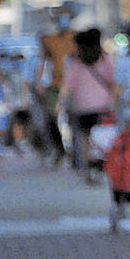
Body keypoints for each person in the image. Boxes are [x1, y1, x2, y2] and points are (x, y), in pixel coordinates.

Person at [63, 27, 115, 183]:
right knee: (102, 139)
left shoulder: (75, 63)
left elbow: (68, 86)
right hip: (103, 106)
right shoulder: (106, 59)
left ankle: (88, 170)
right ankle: (99, 167)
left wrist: (62, 103)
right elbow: (114, 81)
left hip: (82, 106)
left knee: (84, 140)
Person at [36, 16, 76, 166]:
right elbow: (43, 61)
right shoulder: (49, 40)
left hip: (72, 87)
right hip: (54, 86)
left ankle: (75, 152)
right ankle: (60, 150)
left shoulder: (75, 38)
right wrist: (39, 81)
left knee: (73, 120)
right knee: (51, 119)